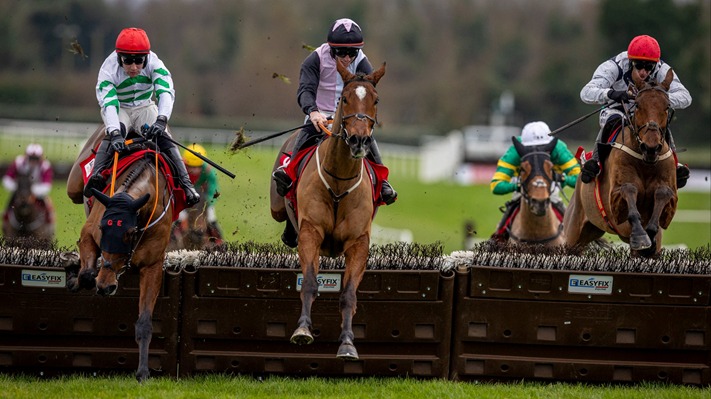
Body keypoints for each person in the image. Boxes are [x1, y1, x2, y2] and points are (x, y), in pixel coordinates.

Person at [272, 18, 397, 205]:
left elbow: (369, 93)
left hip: (349, 119)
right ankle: (288, 171)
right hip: (318, 117)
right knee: (304, 135)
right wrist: (313, 112)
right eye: (342, 52)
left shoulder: (362, 62)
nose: (347, 58)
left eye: (352, 52)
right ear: (331, 48)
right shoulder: (314, 59)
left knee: (368, 140)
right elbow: (305, 90)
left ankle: (382, 182)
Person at [84, 27, 199, 206]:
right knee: (116, 131)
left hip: (145, 106)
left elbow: (165, 93)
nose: (134, 67)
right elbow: (109, 105)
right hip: (119, 108)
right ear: (118, 57)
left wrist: (161, 120)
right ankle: (96, 174)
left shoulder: (155, 64)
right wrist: (114, 133)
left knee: (164, 136)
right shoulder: (108, 70)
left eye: (139, 61)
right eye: (128, 61)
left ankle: (186, 185)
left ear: (146, 57)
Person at [579, 34, 692, 187]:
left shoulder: (662, 69)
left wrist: (658, 101)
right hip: (616, 109)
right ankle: (597, 161)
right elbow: (586, 93)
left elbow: (686, 97)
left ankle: (674, 163)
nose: (643, 72)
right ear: (630, 61)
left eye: (648, 67)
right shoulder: (614, 66)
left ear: (656, 64)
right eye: (638, 65)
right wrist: (611, 94)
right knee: (614, 120)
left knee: (659, 123)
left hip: (646, 113)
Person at [490, 121, 580, 241]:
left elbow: (580, 179)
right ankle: (498, 238)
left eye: (542, 147)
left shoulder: (559, 149)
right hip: (524, 189)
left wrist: (561, 178)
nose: (537, 152)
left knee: (571, 221)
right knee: (512, 208)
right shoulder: (514, 152)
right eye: (531, 149)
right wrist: (517, 186)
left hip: (551, 188)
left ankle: (578, 241)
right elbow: (496, 185)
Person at [180, 144, 223, 240]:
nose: (194, 170)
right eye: (191, 166)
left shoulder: (209, 171)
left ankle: (218, 242)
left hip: (203, 199)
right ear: (185, 164)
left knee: (211, 218)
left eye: (198, 167)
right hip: (182, 198)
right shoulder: (179, 169)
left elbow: (216, 192)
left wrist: (210, 202)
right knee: (178, 218)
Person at [2, 143, 54, 215]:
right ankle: (6, 217)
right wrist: (17, 187)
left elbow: (47, 185)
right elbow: (7, 179)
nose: (33, 161)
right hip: (20, 190)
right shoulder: (18, 162)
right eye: (31, 158)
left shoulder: (45, 166)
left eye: (36, 158)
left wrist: (33, 190)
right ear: (26, 156)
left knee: (47, 205)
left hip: (37, 190)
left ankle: (50, 220)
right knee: (10, 204)